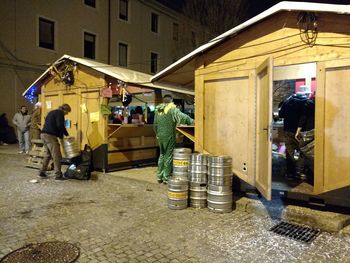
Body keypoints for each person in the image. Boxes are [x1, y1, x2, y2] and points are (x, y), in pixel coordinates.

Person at [153, 95, 194, 184]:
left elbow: (155, 125)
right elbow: (183, 117)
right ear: (171, 101)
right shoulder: (172, 109)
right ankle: (166, 177)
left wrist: (157, 134)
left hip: (160, 136)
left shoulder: (158, 110)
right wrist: (192, 121)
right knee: (168, 155)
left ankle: (159, 175)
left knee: (162, 154)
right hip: (169, 135)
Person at [278, 91, 309, 180]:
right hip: (301, 131)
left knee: (290, 151)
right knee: (301, 151)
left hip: (288, 130)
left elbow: (281, 114)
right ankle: (300, 172)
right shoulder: (307, 102)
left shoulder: (287, 101)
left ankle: (290, 172)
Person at [39, 104, 71, 180]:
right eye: (67, 112)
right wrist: (65, 135)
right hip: (50, 136)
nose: (67, 114)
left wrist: (60, 136)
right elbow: (60, 125)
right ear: (65, 110)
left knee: (48, 154)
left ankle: (42, 172)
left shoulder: (51, 112)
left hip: (43, 134)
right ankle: (58, 175)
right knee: (57, 155)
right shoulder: (60, 113)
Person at [295, 92, 315, 181]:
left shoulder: (308, 103)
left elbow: (303, 117)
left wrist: (298, 131)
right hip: (318, 130)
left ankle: (300, 172)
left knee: (302, 151)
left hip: (308, 131)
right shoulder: (322, 104)